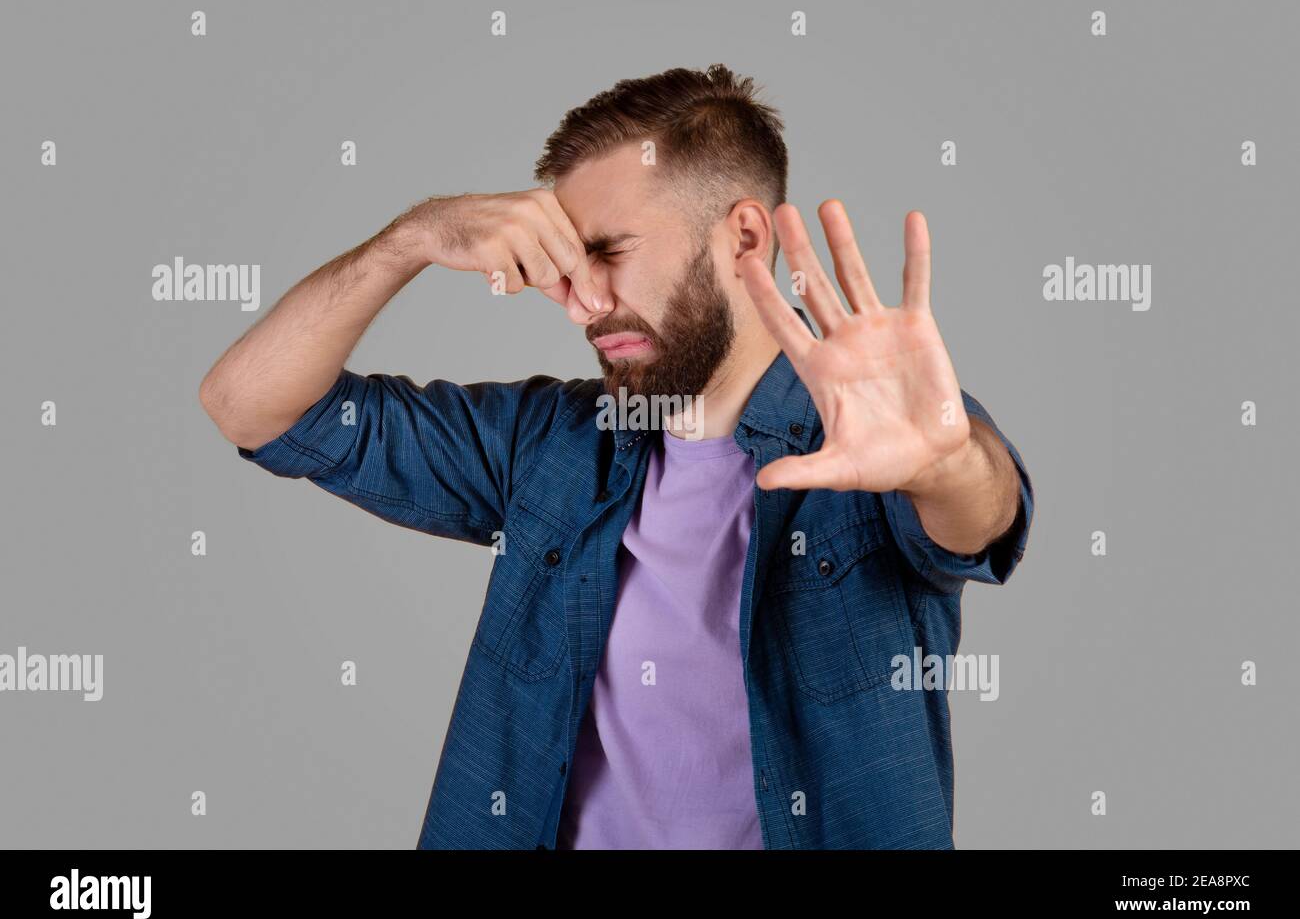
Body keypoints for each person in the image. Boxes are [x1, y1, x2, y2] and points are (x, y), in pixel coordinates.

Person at [199, 64, 1034, 849]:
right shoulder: (548, 445)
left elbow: (978, 513)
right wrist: (413, 239)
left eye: (609, 251)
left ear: (743, 237)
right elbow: (249, 404)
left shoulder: (875, 438)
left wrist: (943, 463)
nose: (586, 303)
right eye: (566, 266)